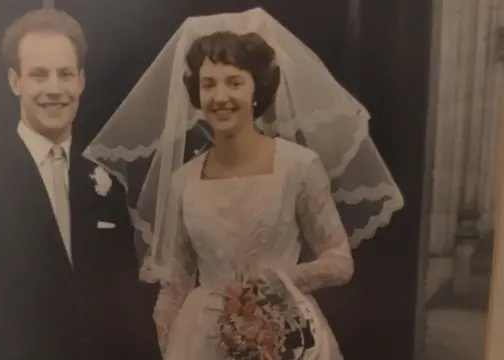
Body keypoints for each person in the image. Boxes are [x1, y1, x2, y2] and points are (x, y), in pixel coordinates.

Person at [83, 8, 404, 360]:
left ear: (256, 89)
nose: (221, 96)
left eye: (234, 82)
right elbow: (176, 283)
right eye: (209, 84)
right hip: (200, 338)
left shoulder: (298, 166)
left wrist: (277, 285)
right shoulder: (183, 180)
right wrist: (166, 331)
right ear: (197, 94)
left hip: (281, 332)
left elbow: (340, 260)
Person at [0, 9, 161, 360]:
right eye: (39, 75)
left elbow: (128, 310)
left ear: (81, 80)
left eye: (65, 74)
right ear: (16, 82)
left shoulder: (104, 184)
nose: (54, 89)